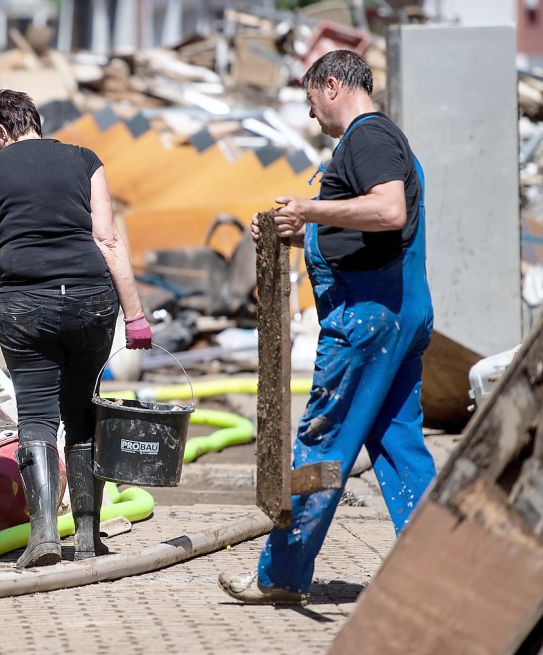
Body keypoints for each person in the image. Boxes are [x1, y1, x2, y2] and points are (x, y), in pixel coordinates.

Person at [219, 50, 437, 604]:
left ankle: (280, 575)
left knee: (322, 444)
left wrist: (311, 211)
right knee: (398, 445)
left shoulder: (367, 138)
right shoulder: (381, 142)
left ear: (333, 85)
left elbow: (388, 211)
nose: (312, 115)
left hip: (366, 322)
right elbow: (367, 231)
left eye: (311, 100)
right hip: (397, 316)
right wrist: (297, 231)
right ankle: (442, 566)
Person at [0, 89, 153, 568]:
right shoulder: (86, 160)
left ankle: (43, 534)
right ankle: (86, 536)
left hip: (26, 306)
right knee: (83, 413)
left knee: (37, 416)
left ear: (1, 132)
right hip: (90, 301)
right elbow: (106, 237)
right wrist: (135, 314)